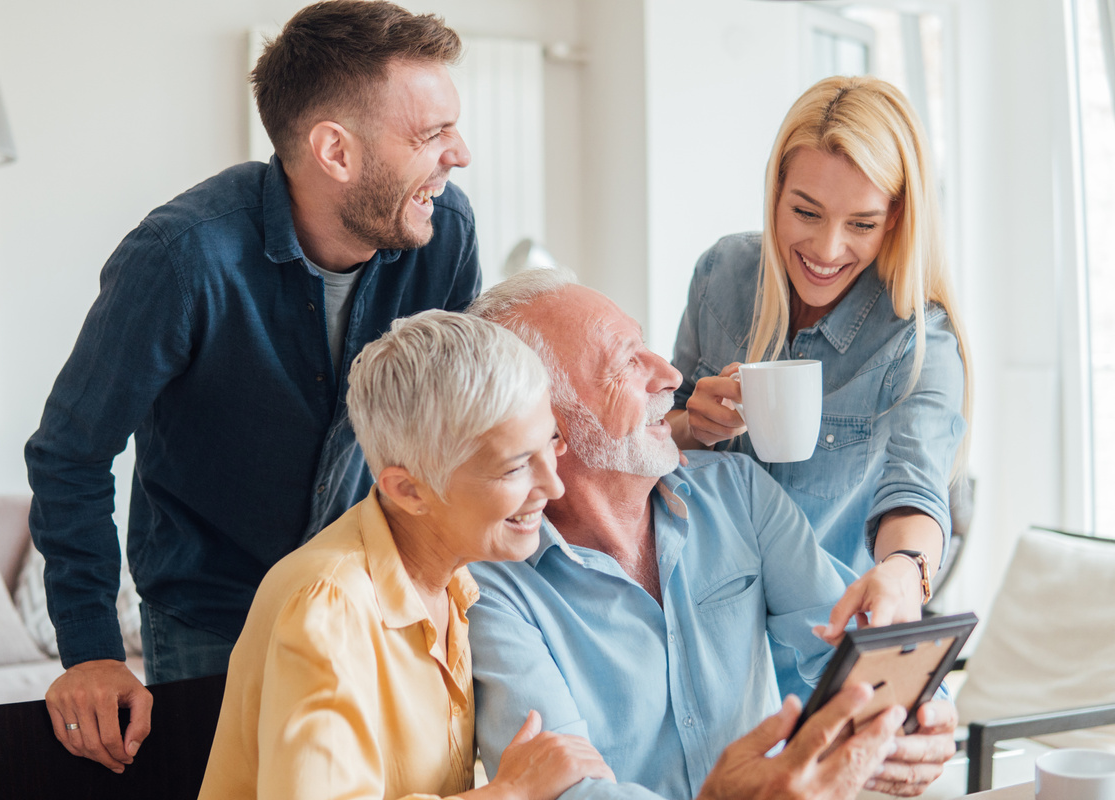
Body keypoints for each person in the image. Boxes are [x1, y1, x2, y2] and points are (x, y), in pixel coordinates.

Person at [24, 0, 479, 771]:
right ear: (334, 150)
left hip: (379, 602)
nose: (459, 154)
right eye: (431, 134)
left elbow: (459, 424)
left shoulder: (444, 232)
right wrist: (91, 651)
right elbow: (71, 453)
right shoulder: (179, 259)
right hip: (214, 617)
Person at [466, 269, 957, 800]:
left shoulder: (737, 493)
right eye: (626, 364)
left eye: (647, 347)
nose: (672, 378)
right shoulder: (489, 587)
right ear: (545, 426)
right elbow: (565, 792)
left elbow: (848, 646)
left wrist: (920, 714)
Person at [198, 311, 614, 800]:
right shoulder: (329, 606)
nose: (554, 485)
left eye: (551, 443)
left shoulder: (453, 581)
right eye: (516, 467)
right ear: (408, 490)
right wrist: (511, 794)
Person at [668, 75, 971, 700]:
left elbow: (916, 490)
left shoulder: (918, 340)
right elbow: (653, 439)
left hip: (824, 655)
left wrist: (902, 570)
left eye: (860, 223)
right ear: (775, 192)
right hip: (701, 647)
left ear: (895, 219)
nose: (827, 249)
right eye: (805, 212)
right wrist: (688, 427)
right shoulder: (722, 276)